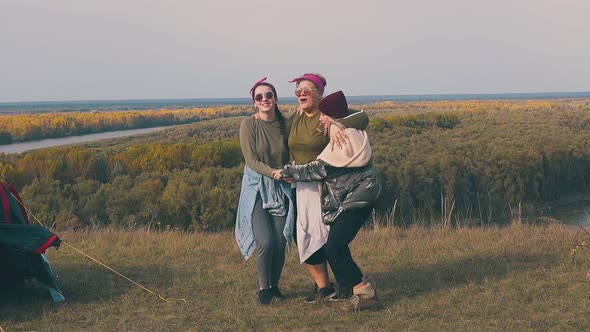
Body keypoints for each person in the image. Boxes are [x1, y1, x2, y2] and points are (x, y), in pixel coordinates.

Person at [276, 90, 382, 312]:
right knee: (336, 245)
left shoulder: (346, 138)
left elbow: (319, 169)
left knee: (334, 246)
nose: (321, 118)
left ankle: (364, 291)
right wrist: (334, 125)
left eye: (325, 116)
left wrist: (288, 171)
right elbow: (358, 115)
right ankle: (349, 287)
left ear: (334, 117)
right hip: (359, 195)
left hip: (358, 198)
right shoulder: (348, 128)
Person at [235, 77, 295, 305]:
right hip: (257, 188)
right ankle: (263, 288)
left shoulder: (287, 124)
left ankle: (274, 286)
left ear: (276, 99)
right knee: (266, 242)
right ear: (254, 103)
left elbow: (297, 149)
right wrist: (273, 173)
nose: (264, 99)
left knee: (280, 243)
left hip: (281, 188)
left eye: (268, 95)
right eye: (259, 97)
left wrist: (290, 172)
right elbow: (251, 160)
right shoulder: (249, 125)